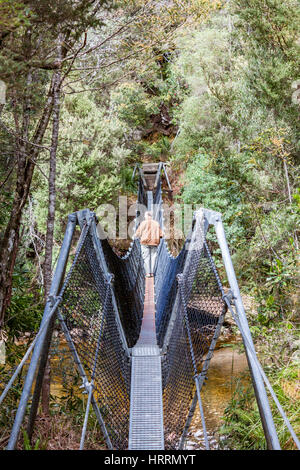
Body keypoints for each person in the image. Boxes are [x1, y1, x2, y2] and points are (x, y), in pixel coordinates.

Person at [135, 211, 163, 277]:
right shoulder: (156, 223)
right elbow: (161, 235)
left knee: (146, 258)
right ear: (151, 216)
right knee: (153, 258)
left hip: (145, 243)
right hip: (154, 243)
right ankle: (152, 273)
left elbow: (137, 234)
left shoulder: (143, 223)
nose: (144, 217)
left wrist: (138, 236)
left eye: (145, 216)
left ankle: (148, 273)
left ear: (146, 216)